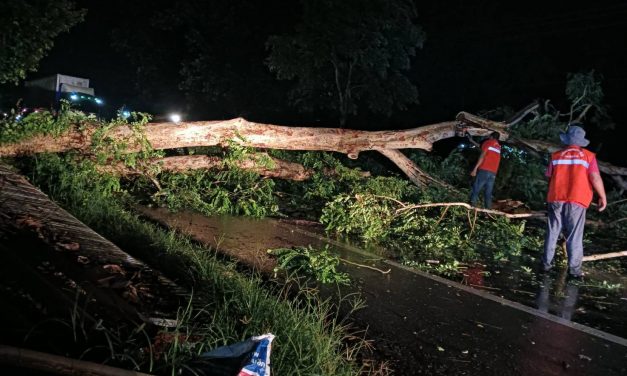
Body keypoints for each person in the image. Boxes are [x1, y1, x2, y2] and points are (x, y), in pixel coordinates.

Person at [542, 124, 607, 279]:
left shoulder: (556, 156)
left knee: (553, 231)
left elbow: (549, 177)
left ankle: (545, 265)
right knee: (574, 235)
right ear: (580, 141)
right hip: (577, 199)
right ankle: (575, 271)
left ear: (567, 139)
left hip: (556, 197)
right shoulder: (588, 156)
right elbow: (595, 177)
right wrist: (602, 196)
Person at [468, 131, 501, 209]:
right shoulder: (498, 146)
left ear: (491, 136)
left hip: (484, 170)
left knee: (476, 189)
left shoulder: (488, 142)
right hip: (493, 173)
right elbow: (481, 146)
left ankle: (472, 210)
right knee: (488, 194)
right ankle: (488, 213)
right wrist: (472, 141)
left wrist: (475, 169)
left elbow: (482, 156)